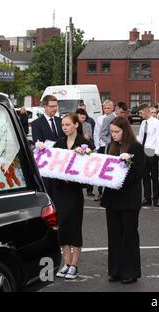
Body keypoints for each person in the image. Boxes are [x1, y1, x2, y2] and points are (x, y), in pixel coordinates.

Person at [101, 117, 144, 284]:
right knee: (114, 236)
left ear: (125, 131)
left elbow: (137, 173)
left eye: (116, 132)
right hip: (112, 199)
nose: (113, 135)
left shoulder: (136, 147)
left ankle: (130, 272)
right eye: (112, 132)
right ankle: (116, 270)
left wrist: (117, 180)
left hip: (128, 199)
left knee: (129, 236)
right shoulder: (112, 147)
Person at [53, 113, 94, 280]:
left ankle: (74, 265)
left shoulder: (84, 143)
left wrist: (83, 155)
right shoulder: (60, 142)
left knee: (74, 226)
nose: (65, 127)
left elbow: (90, 168)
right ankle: (66, 263)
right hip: (59, 190)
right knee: (62, 226)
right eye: (63, 125)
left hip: (74, 191)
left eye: (68, 124)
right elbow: (53, 162)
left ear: (76, 125)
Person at [31, 95, 64, 197]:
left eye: (56, 106)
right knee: (48, 192)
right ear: (45, 106)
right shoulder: (37, 123)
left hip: (60, 162)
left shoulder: (60, 121)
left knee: (60, 193)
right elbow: (37, 141)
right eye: (51, 106)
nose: (54, 108)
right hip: (47, 163)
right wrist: (38, 144)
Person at [137, 104, 159, 207]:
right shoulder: (143, 123)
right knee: (145, 177)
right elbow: (140, 138)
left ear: (146, 111)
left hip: (152, 152)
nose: (140, 115)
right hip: (144, 152)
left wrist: (157, 152)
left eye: (141, 113)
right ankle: (147, 198)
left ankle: (155, 199)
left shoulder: (157, 123)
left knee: (154, 176)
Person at [93, 100, 115, 202]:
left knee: (110, 168)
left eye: (108, 108)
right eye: (104, 108)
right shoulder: (99, 119)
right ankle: (100, 192)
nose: (106, 110)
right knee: (101, 170)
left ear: (112, 108)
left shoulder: (114, 118)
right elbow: (97, 133)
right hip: (102, 146)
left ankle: (110, 191)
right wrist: (97, 146)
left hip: (111, 146)